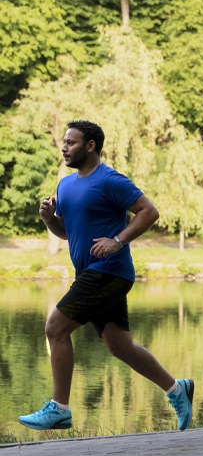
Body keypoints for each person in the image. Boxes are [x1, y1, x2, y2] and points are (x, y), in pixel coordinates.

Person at [19, 120, 194, 432]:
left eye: (71, 143)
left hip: (110, 272)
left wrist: (118, 240)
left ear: (90, 146)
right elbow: (67, 232)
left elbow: (149, 212)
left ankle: (59, 408)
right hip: (89, 272)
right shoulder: (65, 185)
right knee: (119, 346)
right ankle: (176, 388)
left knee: (55, 328)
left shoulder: (110, 179)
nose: (64, 147)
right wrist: (48, 219)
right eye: (64, 142)